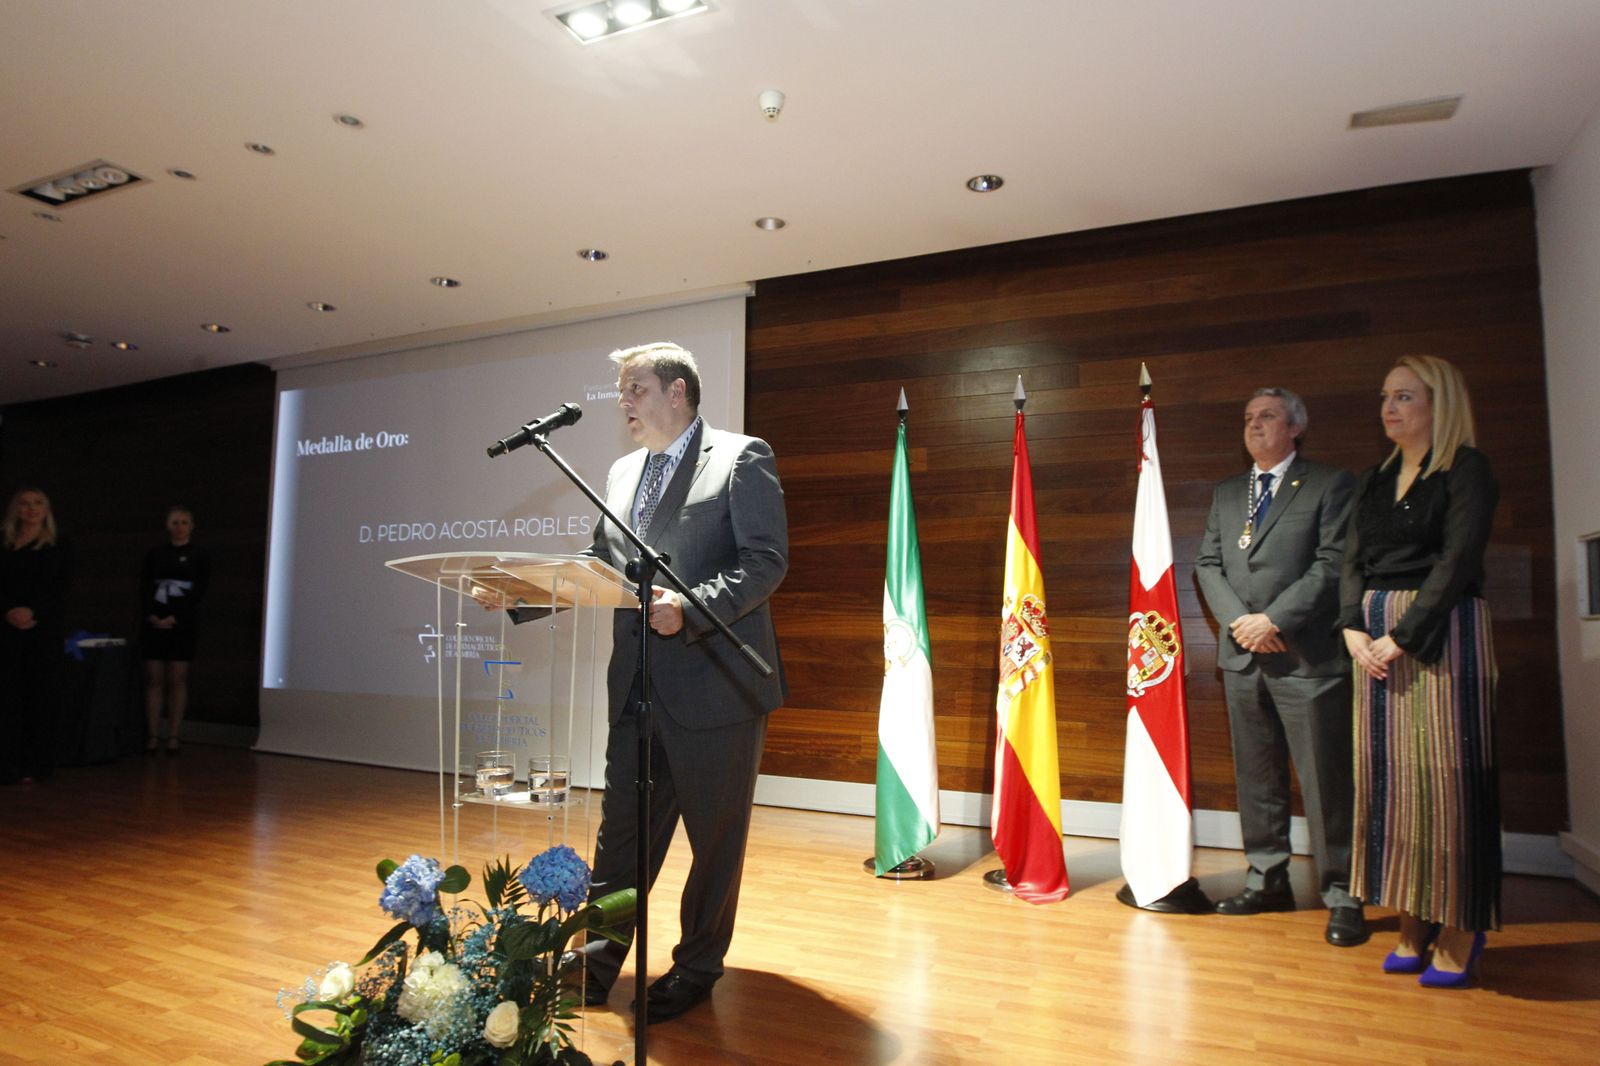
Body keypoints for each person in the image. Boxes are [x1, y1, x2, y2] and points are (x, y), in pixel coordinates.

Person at [516, 341, 788, 1024]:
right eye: (621, 390)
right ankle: (596, 964)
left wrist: (690, 610)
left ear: (678, 392)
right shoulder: (620, 471)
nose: (623, 402)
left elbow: (765, 562)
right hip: (636, 685)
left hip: (717, 686)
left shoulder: (740, 456)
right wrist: (521, 594)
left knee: (713, 842)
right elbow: (596, 561)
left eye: (634, 388)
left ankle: (697, 967)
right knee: (622, 839)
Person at [1340, 355, 1499, 988]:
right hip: (1371, 641)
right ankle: (1413, 918)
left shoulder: (1467, 469)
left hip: (1442, 634)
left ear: (1440, 402)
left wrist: (1400, 638)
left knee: (1448, 783)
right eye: (1385, 396)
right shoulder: (1374, 479)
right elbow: (1352, 561)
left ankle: (1461, 924)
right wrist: (1354, 627)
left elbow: (1457, 560)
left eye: (1404, 396)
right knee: (1393, 783)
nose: (1390, 407)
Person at [1195, 389, 1366, 947]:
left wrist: (1274, 618)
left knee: (1325, 782)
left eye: (1266, 416)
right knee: (1258, 778)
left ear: (1296, 427)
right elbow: (1207, 564)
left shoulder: (1329, 483)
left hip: (1307, 657)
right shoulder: (1227, 492)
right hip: (1243, 659)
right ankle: (1267, 880)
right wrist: (1240, 623)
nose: (1254, 426)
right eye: (1247, 418)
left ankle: (1343, 894)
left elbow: (1333, 563)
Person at [0, 488, 72, 784]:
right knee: (7, 697)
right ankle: (6, 763)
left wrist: (33, 611)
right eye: (25, 504)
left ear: (47, 510)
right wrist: (8, 611)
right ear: (16, 510)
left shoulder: (58, 545)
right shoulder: (3, 544)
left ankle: (35, 763)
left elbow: (59, 588)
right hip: (6, 629)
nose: (31, 509)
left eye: (38, 504)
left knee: (38, 695)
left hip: (41, 630)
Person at [140, 505, 210, 753]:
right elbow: (144, 586)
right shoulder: (156, 554)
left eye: (183, 522)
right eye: (174, 522)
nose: (179, 527)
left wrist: (175, 617)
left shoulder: (199, 555)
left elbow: (199, 592)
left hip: (182, 624)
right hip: (154, 622)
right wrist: (152, 615)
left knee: (177, 679)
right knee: (154, 679)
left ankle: (174, 735)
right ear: (167, 526)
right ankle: (152, 734)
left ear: (191, 526)